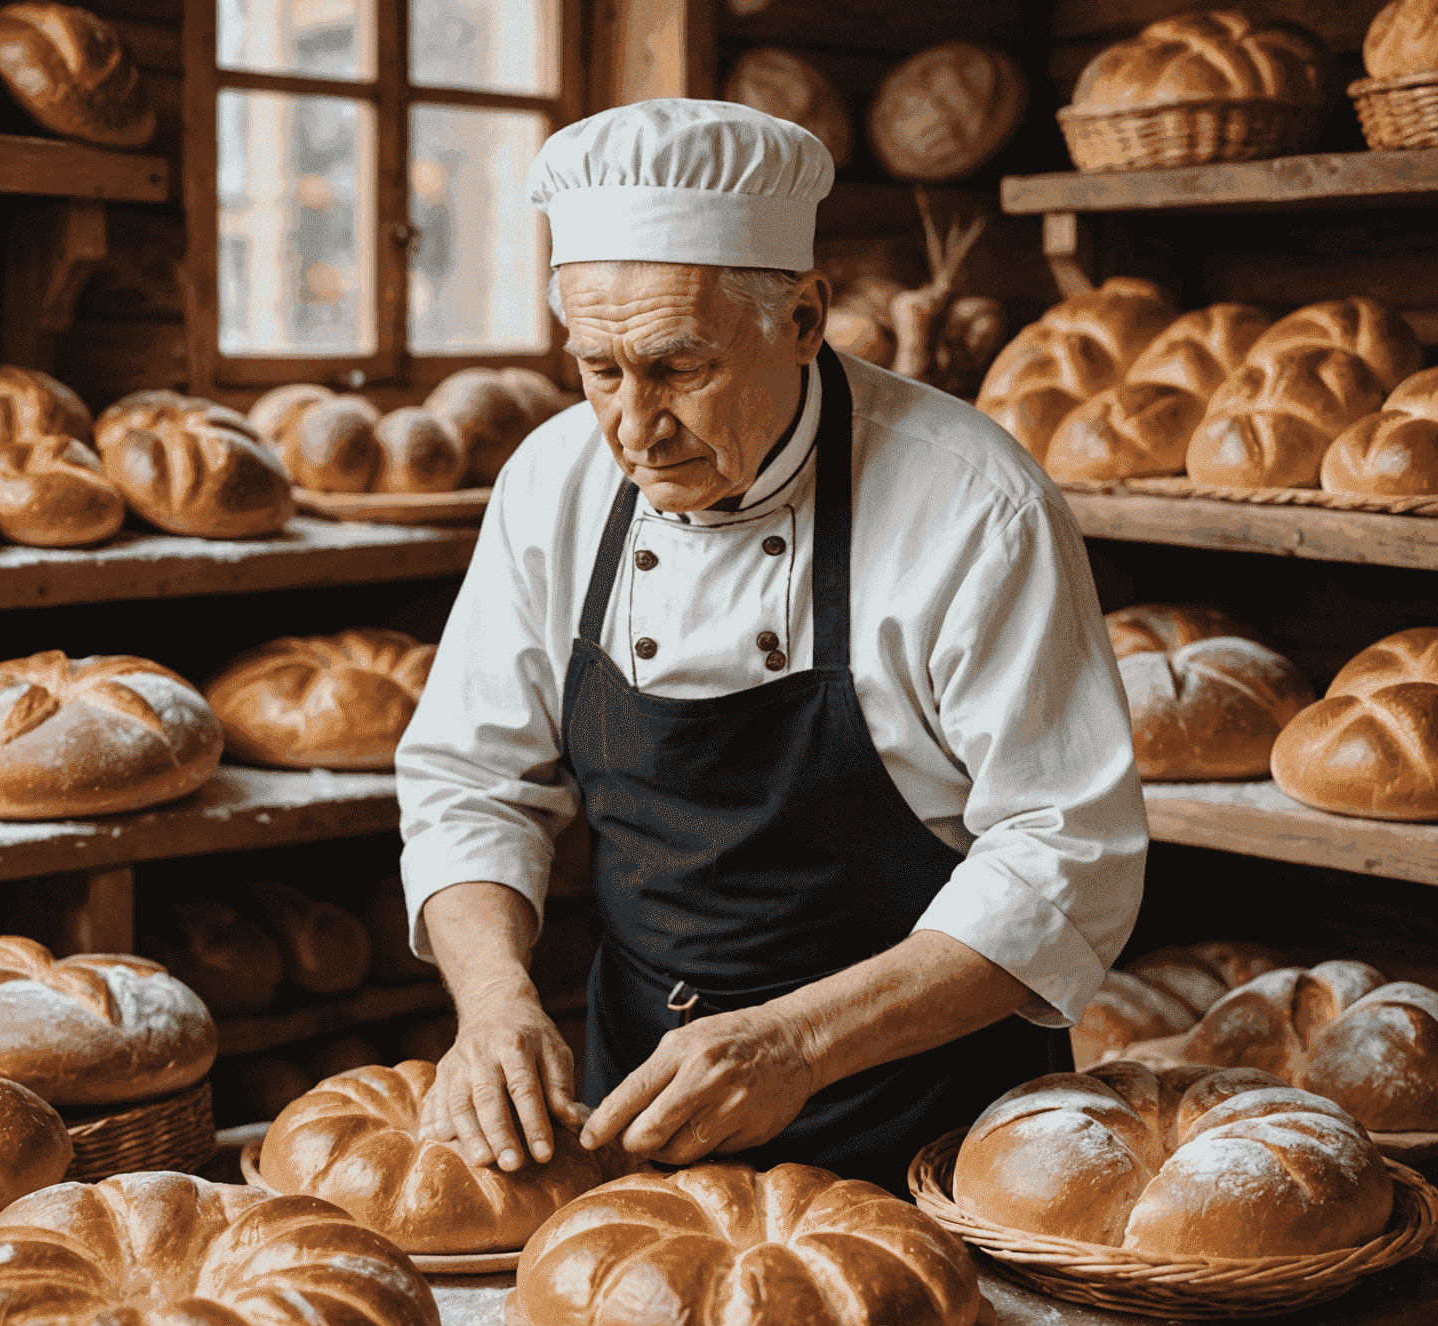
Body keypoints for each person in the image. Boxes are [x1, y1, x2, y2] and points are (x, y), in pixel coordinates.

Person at [395, 98, 1146, 1194]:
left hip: (932, 1119)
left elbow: (1066, 857)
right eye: (599, 369)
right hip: (639, 1100)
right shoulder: (553, 481)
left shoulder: (974, 504)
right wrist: (496, 998)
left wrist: (795, 1043)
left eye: (678, 367)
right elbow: (471, 778)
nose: (634, 427)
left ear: (803, 318)